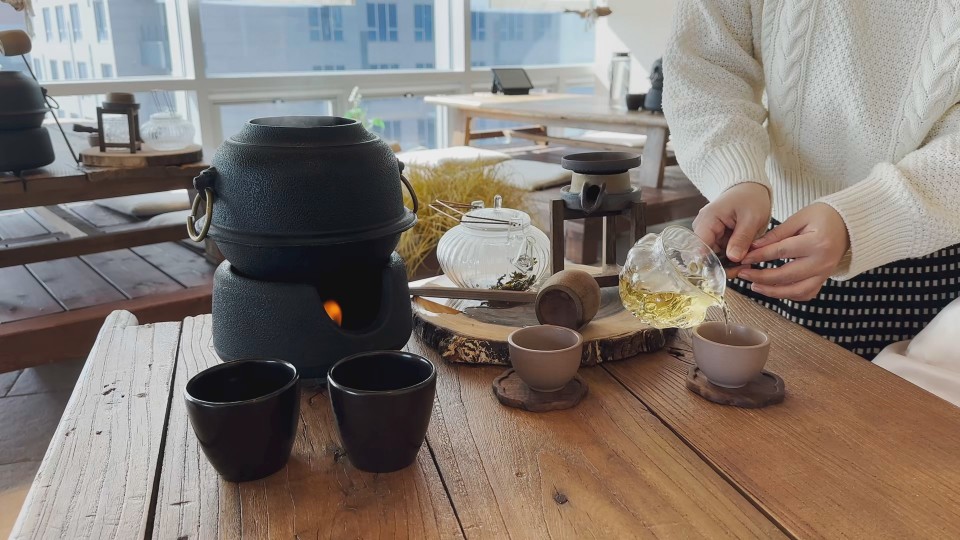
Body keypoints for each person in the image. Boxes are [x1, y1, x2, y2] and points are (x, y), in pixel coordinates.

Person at [662, 1, 960, 361]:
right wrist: (736, 178)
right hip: (766, 239)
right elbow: (703, 70)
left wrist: (864, 218)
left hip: (930, 252)